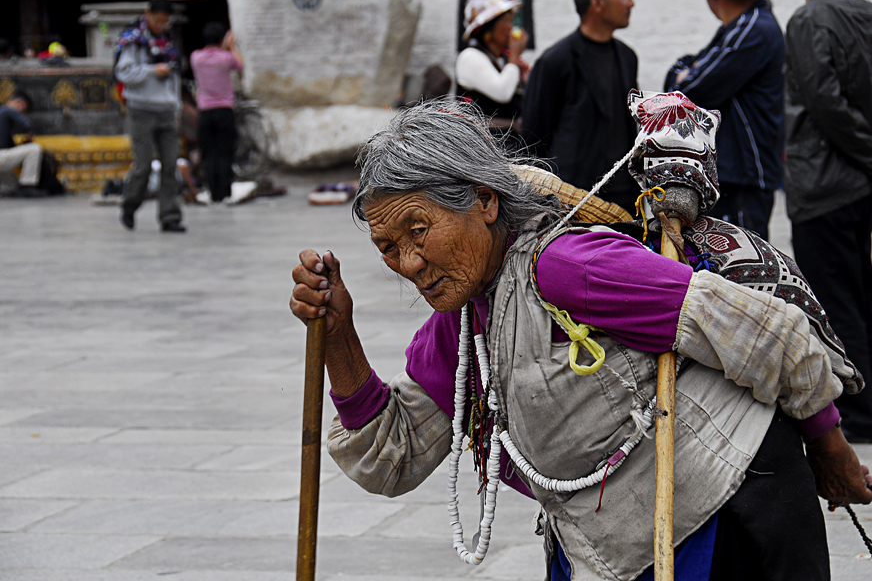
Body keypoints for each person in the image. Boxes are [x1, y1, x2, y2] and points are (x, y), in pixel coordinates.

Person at [290, 99, 872, 580]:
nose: (410, 262)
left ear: (485, 201)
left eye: (419, 230)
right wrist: (338, 335)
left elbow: (770, 333)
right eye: (388, 247)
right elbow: (392, 457)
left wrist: (829, 448)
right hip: (607, 548)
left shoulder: (568, 268)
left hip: (728, 509)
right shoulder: (460, 328)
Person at [784, 0, 872, 443]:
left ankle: (859, 413)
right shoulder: (865, 14)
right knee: (859, 295)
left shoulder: (807, 20)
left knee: (833, 304)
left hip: (823, 184)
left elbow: (823, 102)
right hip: (860, 186)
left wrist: (867, 149)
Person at [664, 0, 783, 241]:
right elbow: (686, 76)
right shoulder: (741, 27)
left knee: (737, 258)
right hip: (740, 174)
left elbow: (689, 91)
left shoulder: (753, 29)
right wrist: (685, 71)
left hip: (743, 175)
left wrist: (686, 72)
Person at [521, 0, 638, 214]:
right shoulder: (555, 62)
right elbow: (533, 139)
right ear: (597, 3)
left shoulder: (627, 57)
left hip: (627, 196)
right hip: (576, 199)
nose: (631, 3)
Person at [115, 0, 185, 233]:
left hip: (166, 110)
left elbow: (175, 78)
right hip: (141, 110)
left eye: (166, 22)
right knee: (143, 165)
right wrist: (151, 70)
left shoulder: (169, 42)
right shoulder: (134, 41)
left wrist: (176, 107)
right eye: (158, 20)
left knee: (170, 166)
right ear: (147, 14)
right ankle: (130, 205)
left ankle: (170, 216)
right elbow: (123, 73)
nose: (161, 25)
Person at [456, 0, 528, 138]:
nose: (511, 27)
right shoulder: (470, 57)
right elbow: (503, 92)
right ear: (488, 29)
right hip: (480, 144)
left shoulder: (501, 59)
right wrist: (514, 57)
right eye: (506, 21)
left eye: (511, 20)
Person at [190, 22, 244, 204]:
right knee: (224, 152)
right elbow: (240, 64)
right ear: (222, 40)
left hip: (205, 111)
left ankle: (213, 192)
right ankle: (225, 192)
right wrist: (231, 46)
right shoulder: (226, 58)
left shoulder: (196, 58)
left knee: (208, 153)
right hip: (225, 110)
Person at [0, 91, 46, 197]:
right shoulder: (9, 110)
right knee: (34, 149)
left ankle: (6, 188)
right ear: (19, 103)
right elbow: (27, 125)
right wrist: (30, 136)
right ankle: (27, 186)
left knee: (11, 188)